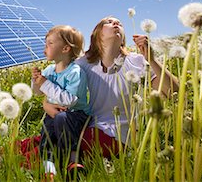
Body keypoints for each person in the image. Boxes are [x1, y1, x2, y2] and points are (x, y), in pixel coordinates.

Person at [42, 16, 179, 158]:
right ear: (97, 35)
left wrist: (151, 59)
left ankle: (59, 160)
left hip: (120, 134)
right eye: (109, 22)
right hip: (87, 125)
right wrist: (46, 104)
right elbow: (58, 87)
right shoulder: (83, 64)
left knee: (55, 142)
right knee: (52, 136)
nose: (116, 23)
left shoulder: (136, 61)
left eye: (119, 23)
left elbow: (173, 92)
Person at [31, 25, 91, 178]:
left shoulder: (75, 72)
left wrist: (45, 83)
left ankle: (73, 161)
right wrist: (36, 81)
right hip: (52, 115)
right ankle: (49, 170)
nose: (45, 47)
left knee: (61, 119)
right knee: (47, 135)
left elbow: (70, 101)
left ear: (65, 49)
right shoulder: (48, 71)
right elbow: (38, 93)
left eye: (50, 43)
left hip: (75, 115)